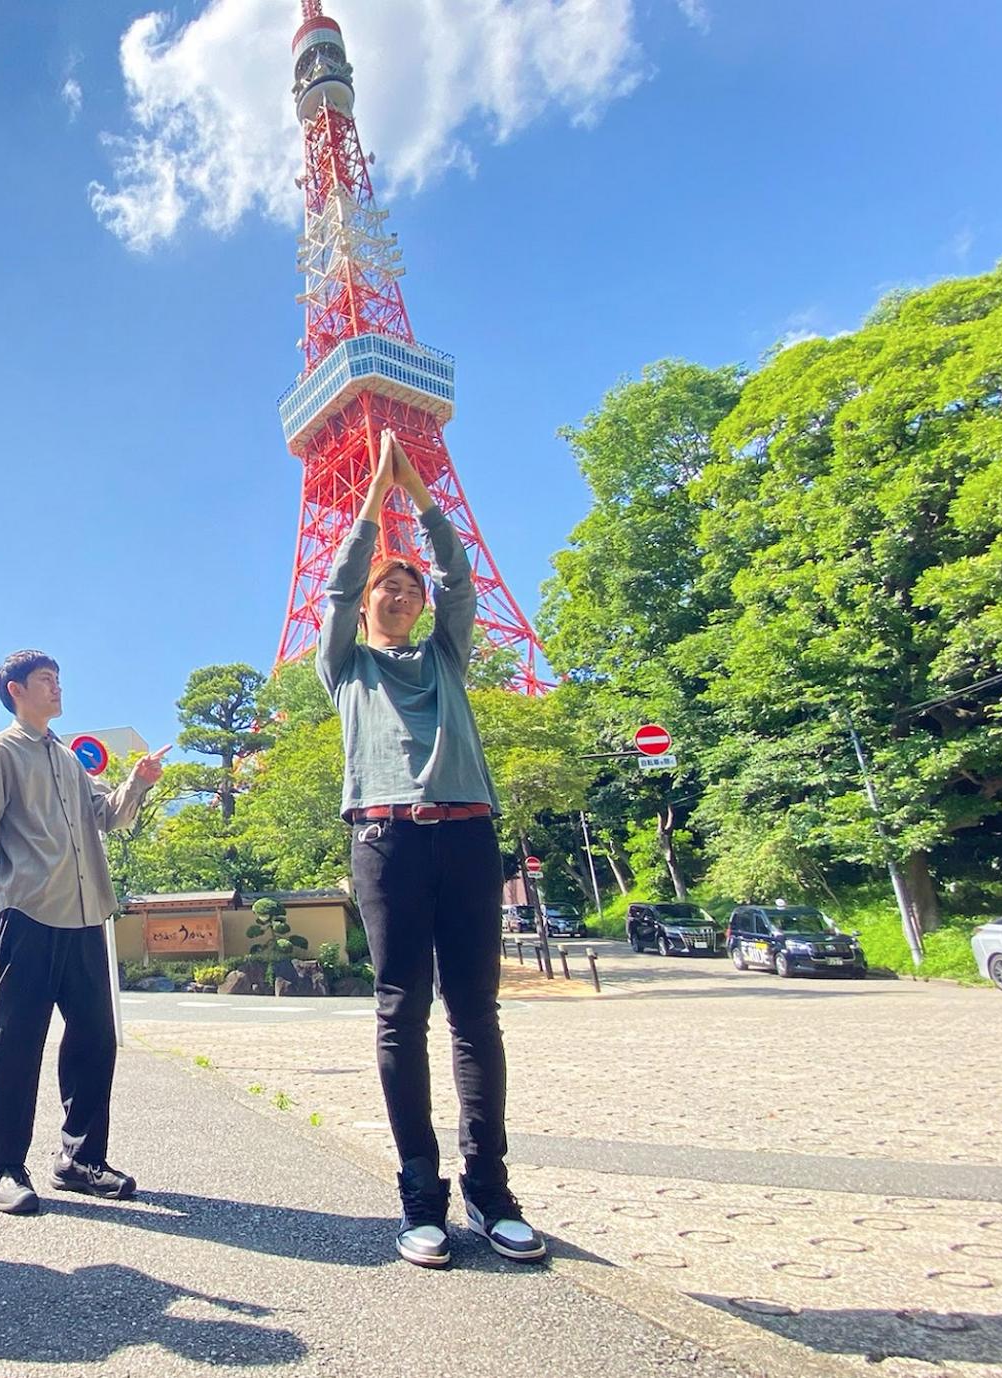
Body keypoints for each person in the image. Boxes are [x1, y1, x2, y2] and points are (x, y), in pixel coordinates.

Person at [318, 429, 545, 1269]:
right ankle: (421, 1196)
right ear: (365, 604)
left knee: (476, 1013)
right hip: (386, 839)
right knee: (400, 1010)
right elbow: (337, 583)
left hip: (468, 832)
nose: (404, 590)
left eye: (412, 584)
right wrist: (373, 501)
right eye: (390, 583)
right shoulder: (346, 666)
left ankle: (491, 1190)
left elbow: (461, 578)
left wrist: (420, 498)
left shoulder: (447, 654)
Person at [0, 651, 168, 1215]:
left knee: (96, 1037)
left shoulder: (68, 758)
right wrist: (10, 889)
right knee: (18, 1039)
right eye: (45, 680)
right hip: (30, 912)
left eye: (58, 679)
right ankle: (6, 1164)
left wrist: (137, 783)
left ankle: (80, 1159)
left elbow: (106, 816)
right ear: (15, 689)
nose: (57, 688)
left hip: (85, 912)